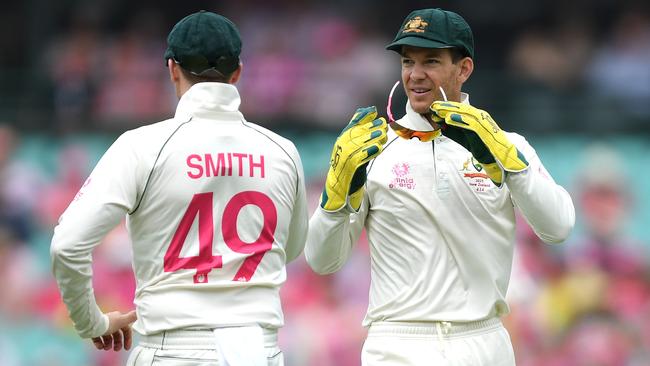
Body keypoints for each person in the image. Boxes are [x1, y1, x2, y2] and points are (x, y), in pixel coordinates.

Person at [305, 8, 575, 365]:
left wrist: (510, 162)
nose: (415, 75)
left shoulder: (507, 145)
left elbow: (558, 227)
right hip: (398, 342)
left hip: (483, 340)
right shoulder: (371, 147)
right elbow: (322, 261)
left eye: (431, 61)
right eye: (407, 62)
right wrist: (335, 195)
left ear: (463, 69)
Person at [50, 10, 308, 366]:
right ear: (238, 72)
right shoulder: (283, 151)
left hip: (172, 349)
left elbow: (67, 244)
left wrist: (91, 321)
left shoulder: (142, 146)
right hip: (259, 351)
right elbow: (290, 248)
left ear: (172, 68)